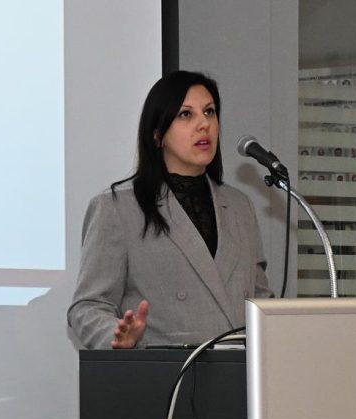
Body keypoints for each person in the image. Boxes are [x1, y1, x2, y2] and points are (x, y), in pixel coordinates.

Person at [68, 70, 273, 349]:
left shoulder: (240, 206)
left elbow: (261, 300)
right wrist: (116, 336)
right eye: (186, 114)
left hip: (239, 371)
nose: (204, 124)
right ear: (157, 134)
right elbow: (87, 306)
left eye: (210, 112)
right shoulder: (118, 206)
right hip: (166, 372)